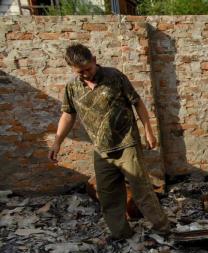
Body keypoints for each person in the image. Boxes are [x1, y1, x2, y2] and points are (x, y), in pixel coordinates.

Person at [48, 43, 170, 240]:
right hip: (101, 150)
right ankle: (121, 234)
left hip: (127, 143)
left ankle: (163, 229)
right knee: (108, 195)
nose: (85, 74)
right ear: (72, 69)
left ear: (94, 60)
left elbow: (137, 102)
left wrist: (148, 131)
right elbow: (67, 115)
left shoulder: (115, 77)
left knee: (142, 190)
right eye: (80, 72)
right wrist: (57, 142)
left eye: (88, 69)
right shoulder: (72, 88)